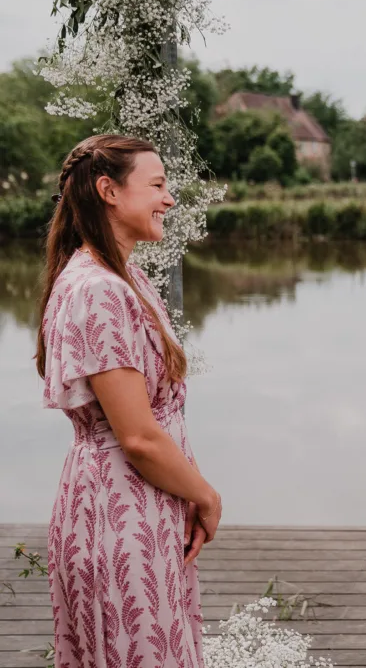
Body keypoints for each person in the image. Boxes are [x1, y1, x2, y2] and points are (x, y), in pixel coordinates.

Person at [37, 134, 222, 668]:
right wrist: (207, 496)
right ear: (108, 191)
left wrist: (182, 489)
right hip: (121, 511)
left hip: (141, 502)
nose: (169, 199)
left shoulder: (122, 275)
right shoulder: (99, 289)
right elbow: (136, 436)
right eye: (158, 185)